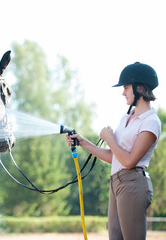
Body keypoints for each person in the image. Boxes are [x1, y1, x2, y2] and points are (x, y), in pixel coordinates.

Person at [67, 62, 161, 240]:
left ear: (139, 88)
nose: (123, 92)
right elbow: (115, 157)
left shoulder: (151, 122)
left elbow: (129, 161)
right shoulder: (126, 118)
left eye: (126, 87)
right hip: (116, 182)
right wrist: (83, 142)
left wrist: (110, 139)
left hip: (132, 183)